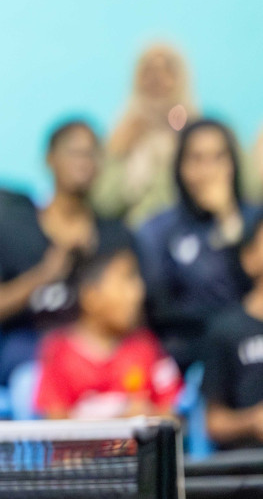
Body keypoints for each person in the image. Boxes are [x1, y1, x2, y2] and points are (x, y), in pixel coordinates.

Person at [0, 121, 135, 383]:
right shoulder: (13, 227)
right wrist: (44, 274)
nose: (84, 162)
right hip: (31, 353)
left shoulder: (115, 235)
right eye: (74, 152)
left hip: (101, 356)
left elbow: (137, 312)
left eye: (92, 153)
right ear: (49, 159)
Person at [134, 119, 257, 369]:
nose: (208, 171)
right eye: (196, 159)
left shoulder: (254, 221)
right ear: (179, 166)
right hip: (185, 355)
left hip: (249, 354)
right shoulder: (157, 230)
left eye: (219, 158)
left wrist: (228, 221)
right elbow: (158, 307)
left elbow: (254, 293)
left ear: (233, 163)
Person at [35, 249, 181, 419]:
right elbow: (56, 424)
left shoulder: (147, 347)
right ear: (91, 297)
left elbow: (170, 416)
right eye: (124, 282)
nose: (137, 294)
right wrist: (119, 423)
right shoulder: (58, 352)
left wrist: (150, 417)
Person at [92, 43, 196, 226]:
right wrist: (122, 152)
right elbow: (103, 203)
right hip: (133, 238)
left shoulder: (197, 134)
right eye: (148, 72)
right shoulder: (121, 133)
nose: (157, 79)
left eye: (167, 71)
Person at [201, 213, 263, 449]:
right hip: (248, 471)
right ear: (249, 258)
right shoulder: (226, 330)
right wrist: (252, 422)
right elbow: (213, 422)